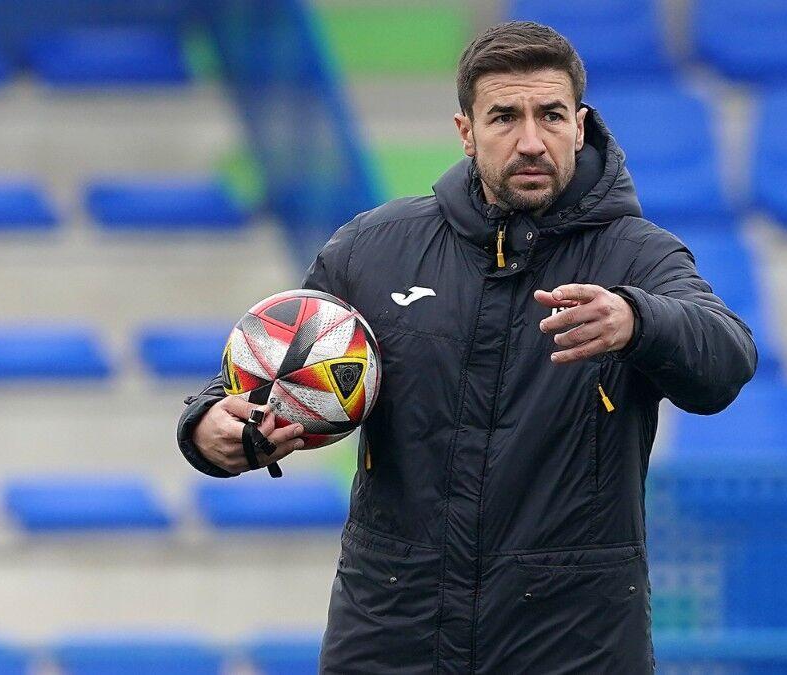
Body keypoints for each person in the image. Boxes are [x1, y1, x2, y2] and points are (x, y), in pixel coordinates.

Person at [177, 20, 757, 674]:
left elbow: (728, 359)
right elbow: (265, 370)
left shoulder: (635, 255)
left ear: (581, 122)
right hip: (392, 629)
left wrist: (638, 318)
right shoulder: (375, 249)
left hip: (571, 642)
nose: (531, 140)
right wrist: (209, 426)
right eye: (505, 117)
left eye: (551, 115)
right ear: (466, 131)